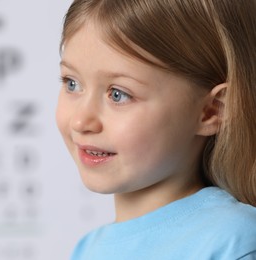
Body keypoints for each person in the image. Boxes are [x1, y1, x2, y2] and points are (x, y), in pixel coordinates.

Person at [55, 0, 256, 259]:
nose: (81, 121)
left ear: (211, 111)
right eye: (72, 83)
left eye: (118, 94)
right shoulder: (88, 249)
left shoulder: (233, 241)